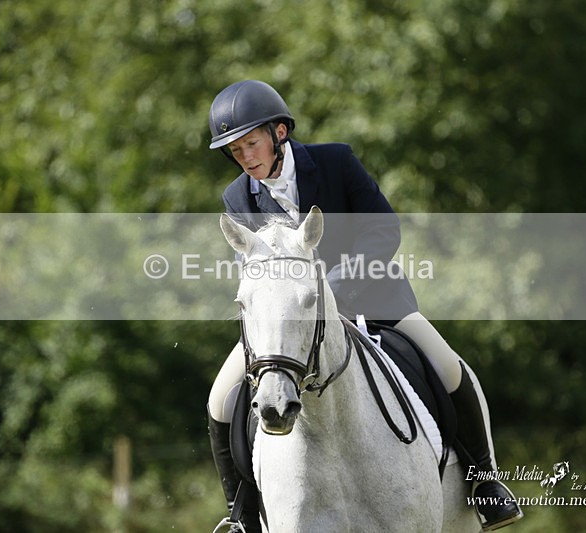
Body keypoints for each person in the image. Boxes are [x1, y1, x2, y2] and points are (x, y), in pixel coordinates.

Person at [206, 79, 523, 531]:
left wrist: (339, 284)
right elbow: (254, 270)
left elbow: (383, 230)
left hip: (373, 297)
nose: (246, 158)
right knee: (220, 398)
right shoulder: (237, 198)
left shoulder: (335, 161)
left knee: (449, 366)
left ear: (279, 133)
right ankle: (240, 514)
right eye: (235, 152)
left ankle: (485, 482)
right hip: (290, 321)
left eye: (251, 144)